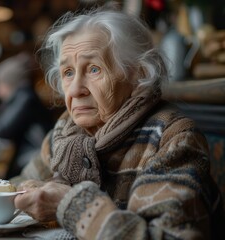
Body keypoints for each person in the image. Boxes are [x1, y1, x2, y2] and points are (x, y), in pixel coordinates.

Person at [12, 6, 225, 240]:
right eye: (68, 72)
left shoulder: (172, 137)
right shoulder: (64, 133)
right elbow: (19, 185)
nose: (75, 90)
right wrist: (28, 190)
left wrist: (70, 205)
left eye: (94, 69)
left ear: (138, 74)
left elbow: (170, 236)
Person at [0, 52, 55, 178]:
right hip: (32, 156)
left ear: (10, 83)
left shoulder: (25, 98)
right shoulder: (20, 98)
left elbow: (3, 130)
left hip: (38, 158)